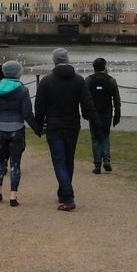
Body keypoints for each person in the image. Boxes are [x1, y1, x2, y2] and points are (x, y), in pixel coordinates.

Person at [34, 47, 96, 212]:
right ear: (67, 60)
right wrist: (91, 118)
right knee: (68, 160)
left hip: (54, 125)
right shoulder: (79, 80)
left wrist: (38, 124)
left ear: (54, 61)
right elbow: (87, 102)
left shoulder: (46, 81)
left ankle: (68, 197)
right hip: (72, 124)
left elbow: (39, 106)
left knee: (59, 160)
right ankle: (63, 192)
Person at [0, 60, 41, 207]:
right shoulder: (23, 90)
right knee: (15, 163)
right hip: (17, 129)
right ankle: (13, 195)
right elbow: (27, 113)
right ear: (18, 73)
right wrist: (37, 129)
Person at [86, 57, 121, 174]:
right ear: (104, 67)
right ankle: (106, 159)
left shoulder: (89, 80)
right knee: (105, 136)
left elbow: (84, 98)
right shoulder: (111, 80)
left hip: (93, 113)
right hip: (107, 113)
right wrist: (117, 114)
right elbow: (116, 99)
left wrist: (85, 112)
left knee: (95, 138)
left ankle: (97, 164)